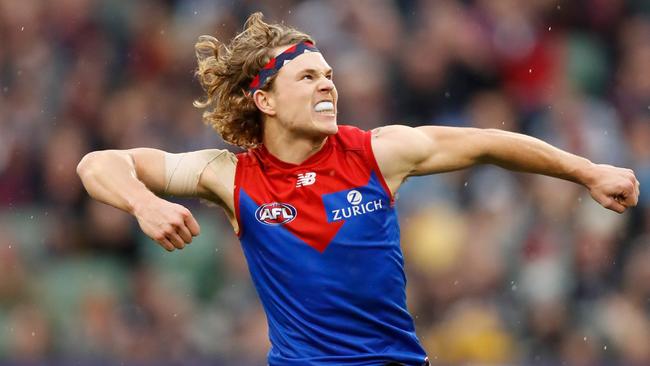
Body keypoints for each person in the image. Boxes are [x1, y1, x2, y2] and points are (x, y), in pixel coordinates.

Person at [77, 12, 640, 366]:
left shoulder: (377, 151)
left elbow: (489, 142)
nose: (327, 85)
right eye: (307, 77)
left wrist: (588, 171)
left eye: (329, 75)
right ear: (265, 101)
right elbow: (98, 163)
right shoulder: (228, 174)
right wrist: (145, 203)